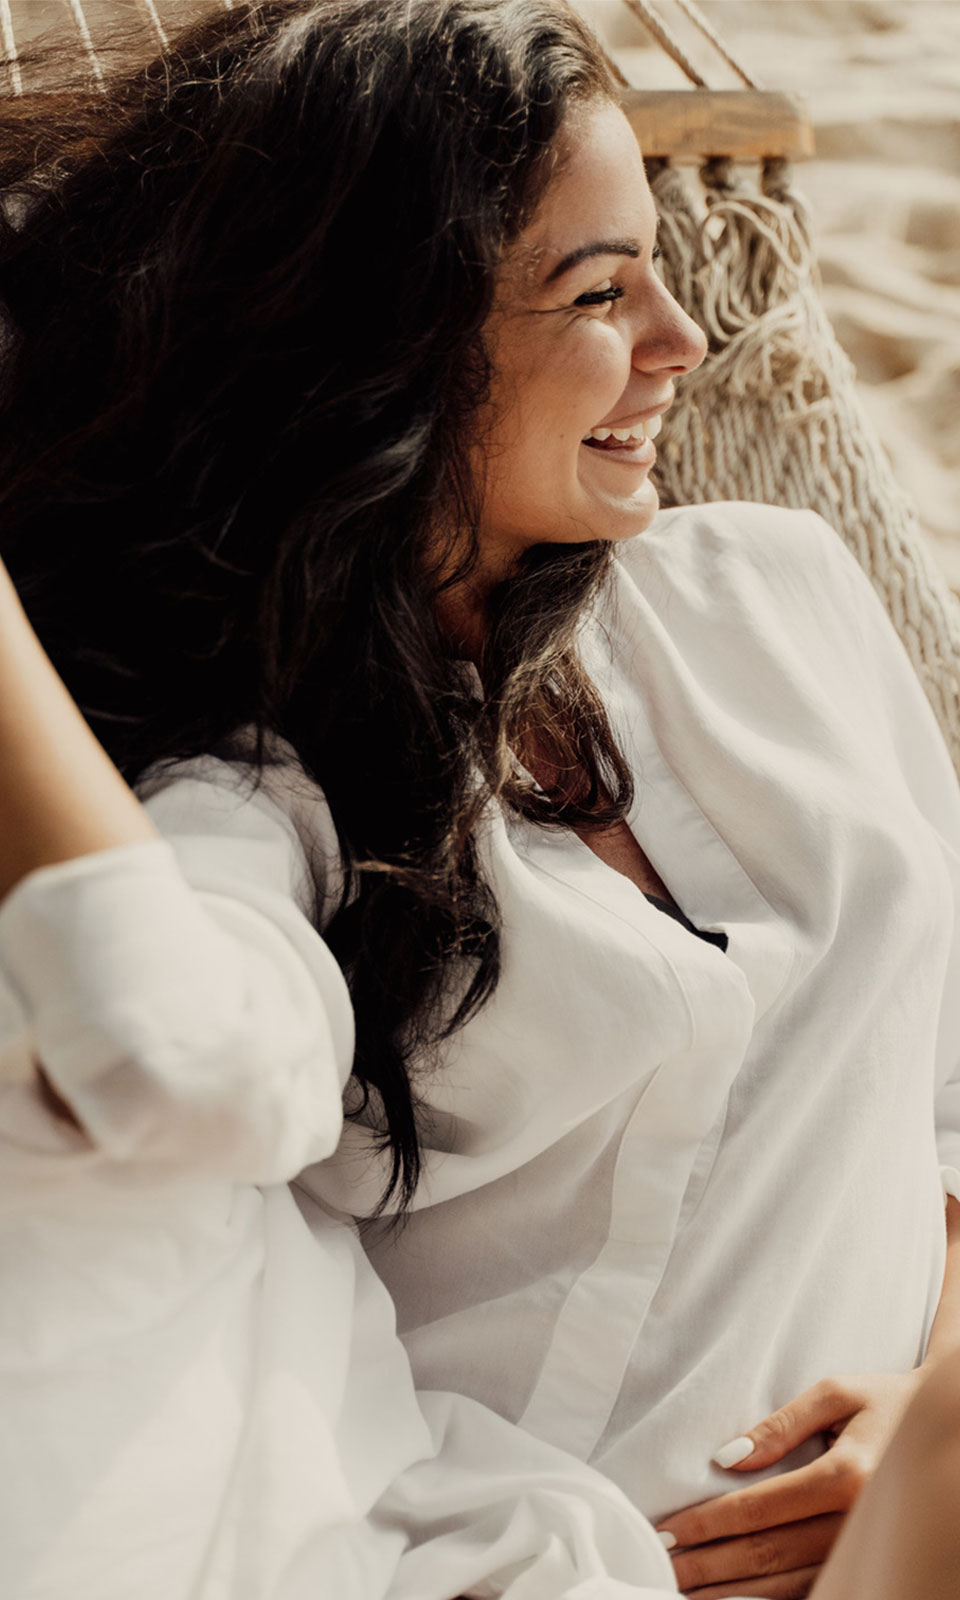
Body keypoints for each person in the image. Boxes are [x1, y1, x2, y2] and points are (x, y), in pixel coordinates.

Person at [0, 2, 959, 1598]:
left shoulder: (775, 592)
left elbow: (950, 1085)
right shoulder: (263, 803)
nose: (683, 339)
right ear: (388, 353)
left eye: (661, 268)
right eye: (601, 293)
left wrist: (931, 1409)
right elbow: (164, 1053)